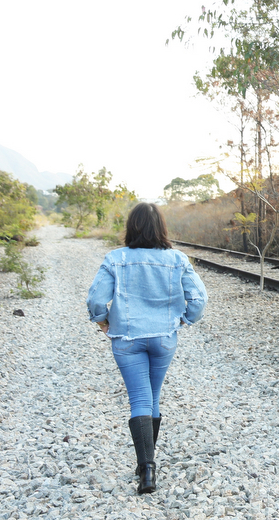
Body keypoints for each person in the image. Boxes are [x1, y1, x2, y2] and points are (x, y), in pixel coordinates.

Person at [86, 202, 207, 494]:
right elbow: (199, 300)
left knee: (139, 399)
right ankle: (148, 462)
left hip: (127, 339)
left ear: (132, 227)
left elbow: (95, 301)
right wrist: (182, 320)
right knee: (153, 396)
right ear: (161, 229)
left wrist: (103, 322)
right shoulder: (177, 259)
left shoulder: (115, 259)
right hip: (164, 337)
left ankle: (146, 469)